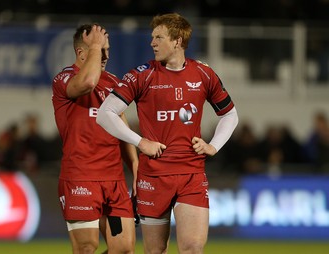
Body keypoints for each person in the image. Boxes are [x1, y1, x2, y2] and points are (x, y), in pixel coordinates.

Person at [97, 13, 239, 254]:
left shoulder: (203, 74)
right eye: (152, 37)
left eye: (159, 37)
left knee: (193, 247)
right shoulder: (142, 75)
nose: (152, 42)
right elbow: (105, 114)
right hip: (153, 176)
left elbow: (230, 115)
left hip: (191, 174)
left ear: (177, 41)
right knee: (155, 251)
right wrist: (140, 141)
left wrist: (213, 146)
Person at [51, 24, 138, 254]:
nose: (105, 55)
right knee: (87, 248)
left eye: (107, 49)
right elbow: (87, 83)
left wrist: (136, 166)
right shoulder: (64, 79)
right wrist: (95, 45)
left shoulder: (113, 83)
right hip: (81, 178)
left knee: (124, 250)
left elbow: (121, 126)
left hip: (114, 181)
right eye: (100, 49)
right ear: (82, 53)